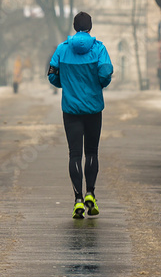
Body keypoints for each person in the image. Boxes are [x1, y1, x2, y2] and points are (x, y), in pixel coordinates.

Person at [47, 11, 113, 219]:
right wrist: (100, 85)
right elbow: (105, 72)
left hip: (71, 110)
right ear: (90, 27)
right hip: (94, 109)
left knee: (74, 154)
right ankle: (91, 194)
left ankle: (77, 199)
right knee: (92, 152)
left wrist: (64, 85)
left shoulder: (62, 49)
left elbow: (52, 74)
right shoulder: (99, 48)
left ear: (74, 27)